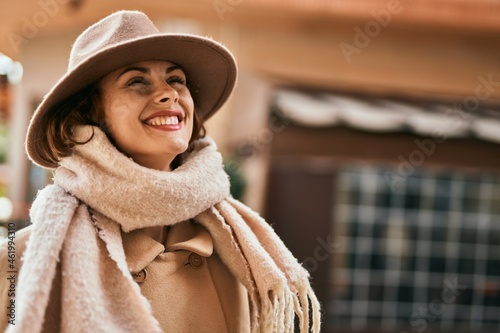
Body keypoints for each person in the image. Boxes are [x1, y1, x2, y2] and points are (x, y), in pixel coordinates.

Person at [0, 10, 321, 333]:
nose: (169, 93)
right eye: (137, 81)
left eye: (176, 79)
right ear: (91, 114)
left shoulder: (243, 252)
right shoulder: (20, 260)